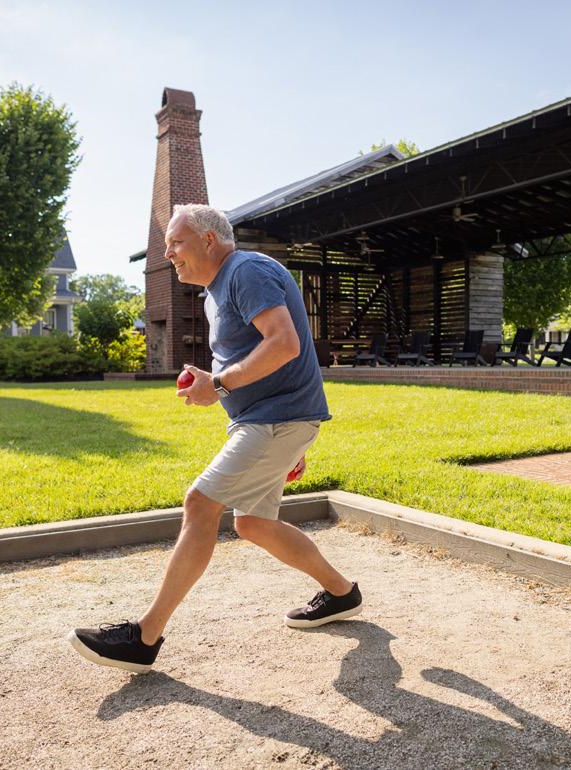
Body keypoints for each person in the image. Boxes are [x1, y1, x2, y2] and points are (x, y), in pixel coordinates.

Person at [69, 204, 362, 674]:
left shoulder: (246, 271)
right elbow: (269, 357)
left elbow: (285, 343)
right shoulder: (216, 291)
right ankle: (342, 593)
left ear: (209, 240)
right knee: (254, 524)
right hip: (274, 423)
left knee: (200, 504)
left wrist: (220, 386)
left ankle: (144, 638)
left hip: (276, 420)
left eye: (175, 242)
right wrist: (221, 388)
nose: (168, 254)